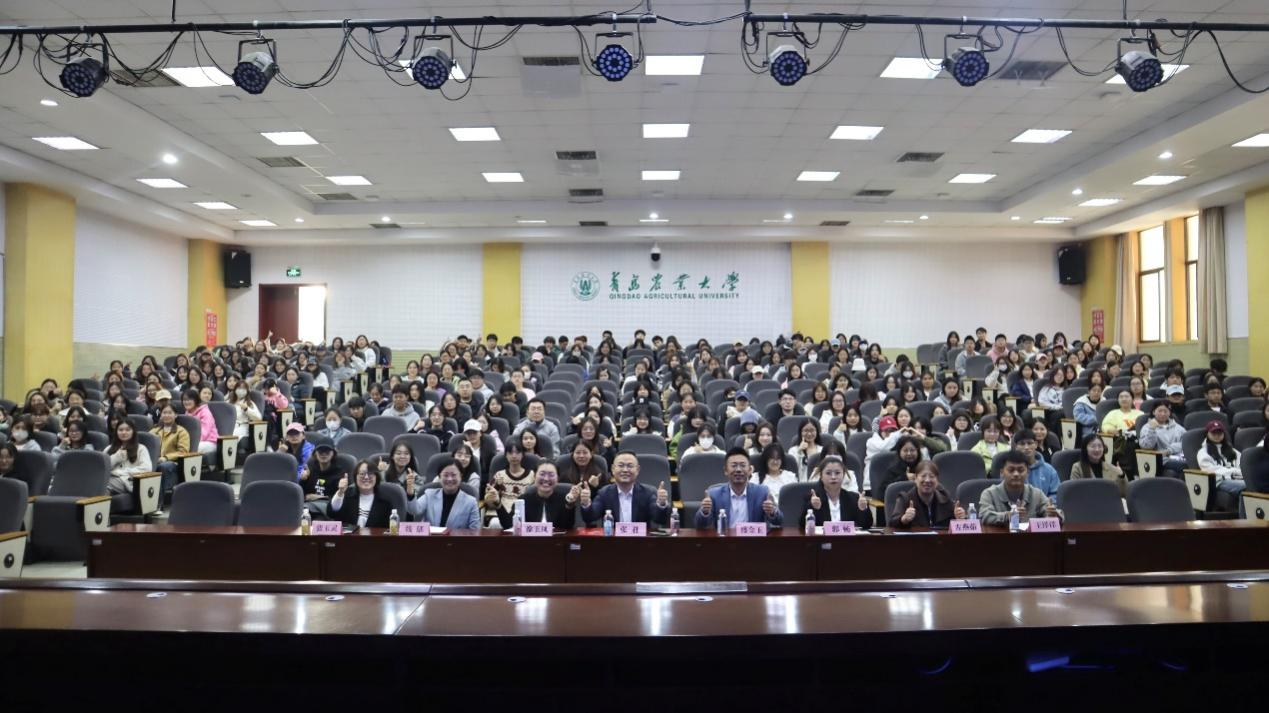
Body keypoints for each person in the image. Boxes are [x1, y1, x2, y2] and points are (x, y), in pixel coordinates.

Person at [694, 448, 784, 529]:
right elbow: (699, 524)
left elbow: (779, 521)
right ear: (726, 471)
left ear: (750, 470)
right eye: (734, 466)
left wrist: (772, 512)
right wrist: (705, 512)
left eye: (743, 465)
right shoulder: (714, 494)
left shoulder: (762, 492)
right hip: (725, 540)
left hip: (753, 540)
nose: (738, 470)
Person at [579, 451, 670, 527]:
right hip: (613, 541)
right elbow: (590, 517)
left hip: (640, 541)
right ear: (613, 469)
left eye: (630, 466)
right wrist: (586, 503)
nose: (625, 470)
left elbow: (659, 520)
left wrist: (661, 504)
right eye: (621, 465)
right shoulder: (604, 493)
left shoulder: (648, 493)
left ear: (637, 470)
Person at [978, 450, 1061, 527]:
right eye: (1011, 470)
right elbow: (984, 515)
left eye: (1021, 470)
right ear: (1002, 473)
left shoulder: (1036, 494)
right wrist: (1008, 516)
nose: (1016, 474)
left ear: (1028, 473)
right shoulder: (989, 494)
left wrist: (1054, 515)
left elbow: (1057, 514)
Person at [494, 461, 576, 530]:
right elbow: (509, 525)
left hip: (556, 542)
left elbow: (568, 528)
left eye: (551, 475)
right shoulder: (524, 499)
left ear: (558, 478)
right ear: (534, 476)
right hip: (530, 542)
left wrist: (569, 505)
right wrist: (497, 503)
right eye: (542, 474)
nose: (546, 479)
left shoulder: (564, 500)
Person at [405, 455, 481, 529]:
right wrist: (410, 492)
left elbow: (475, 531)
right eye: (446, 475)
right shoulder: (429, 494)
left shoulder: (471, 502)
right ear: (439, 477)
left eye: (453, 475)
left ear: (461, 476)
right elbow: (414, 510)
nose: (449, 479)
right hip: (431, 537)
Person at [888, 460, 966, 529]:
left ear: (937, 480)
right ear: (915, 478)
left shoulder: (945, 497)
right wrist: (904, 519)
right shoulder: (905, 499)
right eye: (923, 476)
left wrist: (960, 517)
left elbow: (957, 526)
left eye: (931, 476)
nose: (927, 480)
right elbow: (892, 524)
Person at [800, 455, 871, 530]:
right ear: (821, 476)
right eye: (828, 473)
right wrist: (811, 506)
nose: (833, 477)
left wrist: (863, 509)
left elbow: (867, 525)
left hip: (846, 537)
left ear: (843, 475)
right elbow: (802, 526)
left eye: (837, 473)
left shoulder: (854, 498)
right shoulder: (811, 498)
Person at [328, 459, 394, 529]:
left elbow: (388, 530)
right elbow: (331, 513)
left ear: (376, 477)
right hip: (349, 536)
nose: (366, 477)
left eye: (370, 473)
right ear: (355, 477)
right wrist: (340, 492)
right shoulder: (346, 494)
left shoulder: (385, 502)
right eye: (362, 474)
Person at [483, 441, 536, 526]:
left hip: (525, 514)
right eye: (510, 453)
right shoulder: (499, 475)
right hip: (501, 513)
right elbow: (490, 502)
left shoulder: (532, 475)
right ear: (506, 455)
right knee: (494, 523)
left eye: (517, 452)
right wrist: (490, 496)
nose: (514, 456)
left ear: (522, 454)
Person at [1196, 420, 1244, 507]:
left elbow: (1242, 465)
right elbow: (1210, 470)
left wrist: (1238, 473)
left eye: (1219, 433)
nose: (1217, 435)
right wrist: (1234, 471)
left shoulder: (1232, 450)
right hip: (1219, 481)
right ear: (1207, 434)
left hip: (1237, 478)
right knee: (1246, 486)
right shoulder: (1203, 452)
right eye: (1213, 433)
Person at [1138, 401, 1187, 478]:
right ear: (1154, 412)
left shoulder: (1178, 427)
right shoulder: (1147, 427)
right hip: (1161, 460)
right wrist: (1152, 430)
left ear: (1169, 413)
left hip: (1178, 457)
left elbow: (1186, 443)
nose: (1163, 414)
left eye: (1166, 411)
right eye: (1160, 411)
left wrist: (1169, 450)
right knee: (1186, 465)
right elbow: (1146, 447)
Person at [1070, 433, 1127, 497]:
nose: (1097, 449)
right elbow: (1075, 493)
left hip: (1108, 501)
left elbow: (1123, 493)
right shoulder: (1077, 467)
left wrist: (1121, 475)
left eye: (1100, 446)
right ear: (1085, 449)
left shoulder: (1110, 467)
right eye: (1093, 446)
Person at [1011, 430, 1060, 504]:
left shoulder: (1049, 470)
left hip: (1045, 508)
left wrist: (1045, 506)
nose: (1026, 447)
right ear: (1016, 447)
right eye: (1022, 444)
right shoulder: (1010, 470)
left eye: (1030, 443)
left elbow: (1056, 494)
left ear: (1036, 444)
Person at [106, 420, 152, 496]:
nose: (124, 432)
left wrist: (121, 472)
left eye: (127, 430)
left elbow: (147, 468)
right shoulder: (109, 448)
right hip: (112, 479)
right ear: (116, 432)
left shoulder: (141, 448)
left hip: (129, 482)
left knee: (102, 484)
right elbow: (103, 468)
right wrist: (116, 457)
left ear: (133, 432)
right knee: (100, 486)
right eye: (120, 430)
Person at [300, 443, 348, 515]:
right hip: (308, 508)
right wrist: (303, 480)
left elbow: (339, 499)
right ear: (315, 453)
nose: (324, 454)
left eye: (327, 451)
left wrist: (319, 497)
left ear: (333, 453)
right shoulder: (310, 470)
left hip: (328, 509)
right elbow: (301, 495)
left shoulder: (339, 473)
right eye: (320, 451)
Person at [863, 415, 903, 491]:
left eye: (892, 431)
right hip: (871, 484)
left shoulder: (896, 441)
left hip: (892, 482)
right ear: (880, 431)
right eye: (886, 430)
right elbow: (883, 448)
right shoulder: (871, 441)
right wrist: (895, 434)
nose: (889, 433)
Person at [181, 388, 219, 456]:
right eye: (184, 400)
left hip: (209, 441)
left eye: (189, 399)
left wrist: (190, 442)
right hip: (193, 441)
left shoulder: (205, 412)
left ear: (196, 400)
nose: (186, 402)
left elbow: (204, 433)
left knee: (191, 448)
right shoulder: (187, 413)